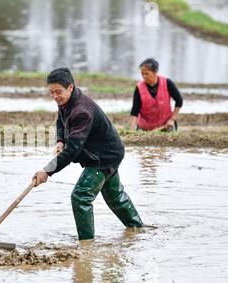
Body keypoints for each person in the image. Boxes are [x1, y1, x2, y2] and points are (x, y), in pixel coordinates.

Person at [32, 68, 144, 241]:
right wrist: (60, 141)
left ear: (70, 87)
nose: (55, 96)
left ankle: (86, 245)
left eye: (58, 92)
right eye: (51, 92)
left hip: (104, 157)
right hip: (106, 152)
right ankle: (138, 230)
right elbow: (61, 120)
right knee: (115, 197)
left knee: (80, 197)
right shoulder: (66, 101)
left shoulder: (82, 111)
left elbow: (73, 151)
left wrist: (47, 171)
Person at [130, 58, 183, 131]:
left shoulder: (167, 83)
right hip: (145, 128)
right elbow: (134, 111)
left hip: (166, 125)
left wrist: (172, 119)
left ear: (155, 72)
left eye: (146, 74)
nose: (144, 76)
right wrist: (132, 129)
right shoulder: (139, 87)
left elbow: (179, 101)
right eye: (142, 74)